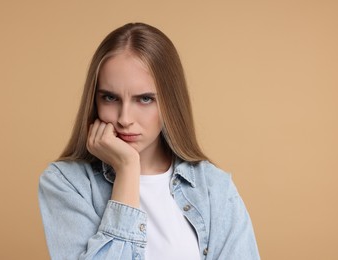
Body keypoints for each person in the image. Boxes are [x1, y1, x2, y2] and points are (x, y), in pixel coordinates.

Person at [38, 22, 260, 260]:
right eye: (110, 97)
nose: (124, 119)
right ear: (94, 101)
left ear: (170, 103)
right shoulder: (67, 184)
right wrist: (127, 169)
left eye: (144, 99)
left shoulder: (213, 188)